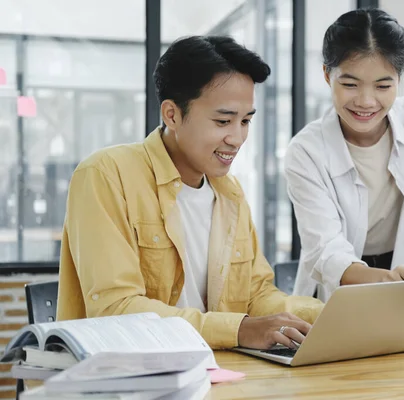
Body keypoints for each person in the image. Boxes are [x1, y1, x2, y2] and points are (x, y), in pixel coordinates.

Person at [57, 35, 323, 350]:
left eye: (246, 121)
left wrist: (330, 314)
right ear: (172, 115)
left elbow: (257, 296)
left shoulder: (230, 194)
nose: (237, 138)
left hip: (216, 373)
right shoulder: (105, 175)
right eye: (224, 121)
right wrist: (239, 330)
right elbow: (116, 310)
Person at [284, 9, 404, 336]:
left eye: (383, 85)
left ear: (399, 79)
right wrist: (393, 286)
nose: (366, 101)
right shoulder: (306, 150)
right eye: (350, 84)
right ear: (327, 75)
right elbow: (327, 249)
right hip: (343, 281)